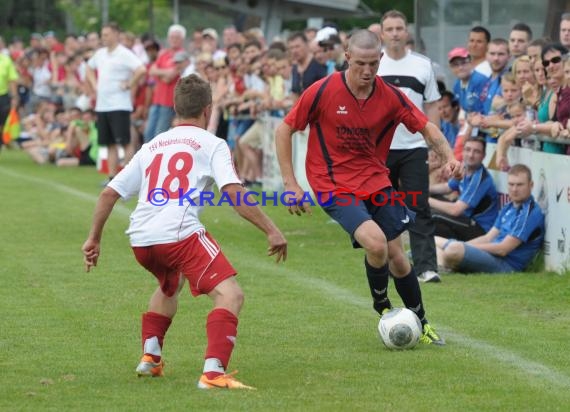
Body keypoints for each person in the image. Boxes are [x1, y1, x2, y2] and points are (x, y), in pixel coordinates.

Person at [82, 74, 287, 389]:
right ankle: (214, 373)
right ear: (208, 110)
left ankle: (150, 358)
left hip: (141, 239)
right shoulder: (213, 143)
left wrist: (93, 238)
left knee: (170, 285)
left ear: (175, 108)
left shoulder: (153, 144)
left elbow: (109, 193)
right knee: (231, 294)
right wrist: (272, 230)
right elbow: (234, 192)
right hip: (178, 234)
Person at [275, 29, 461, 345]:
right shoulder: (321, 91)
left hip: (375, 180)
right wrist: (291, 184)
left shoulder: (389, 95)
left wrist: (449, 156)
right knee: (376, 245)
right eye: (360, 63)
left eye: (373, 64)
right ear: (346, 57)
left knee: (398, 257)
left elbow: (426, 127)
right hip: (332, 184)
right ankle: (383, 306)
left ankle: (422, 322)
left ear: (381, 60)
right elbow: (285, 130)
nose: (367, 71)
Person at [376, 10, 443, 283]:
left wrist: (435, 144)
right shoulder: (374, 64)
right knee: (382, 207)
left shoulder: (422, 65)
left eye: (399, 28)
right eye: (389, 29)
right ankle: (389, 263)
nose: (394, 33)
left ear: (406, 32)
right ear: (381, 33)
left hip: (414, 146)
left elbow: (432, 106)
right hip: (380, 149)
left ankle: (426, 267)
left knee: (418, 205)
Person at [436, 164, 544, 274]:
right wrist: (466, 247)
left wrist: (465, 247)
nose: (514, 189)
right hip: (491, 256)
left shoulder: (530, 212)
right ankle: (444, 264)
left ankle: (443, 263)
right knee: (434, 240)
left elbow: (503, 250)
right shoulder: (508, 207)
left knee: (452, 248)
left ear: (531, 185)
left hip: (506, 265)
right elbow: (488, 238)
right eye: (511, 184)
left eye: (520, 185)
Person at [86, 22, 146, 183]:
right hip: (103, 105)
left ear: (115, 35)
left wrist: (129, 84)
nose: (103, 38)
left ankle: (127, 178)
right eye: (102, 35)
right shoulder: (100, 54)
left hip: (119, 105)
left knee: (124, 142)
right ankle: (113, 177)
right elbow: (89, 68)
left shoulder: (124, 53)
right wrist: (94, 85)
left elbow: (141, 69)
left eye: (106, 34)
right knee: (109, 143)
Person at [429, 136, 498, 242]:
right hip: (465, 219)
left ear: (483, 156)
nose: (471, 155)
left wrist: (424, 199)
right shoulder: (464, 168)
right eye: (468, 150)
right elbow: (447, 187)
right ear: (463, 151)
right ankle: (440, 248)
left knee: (433, 215)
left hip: (479, 230)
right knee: (431, 201)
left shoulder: (481, 179)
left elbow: (455, 210)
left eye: (476, 152)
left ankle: (438, 249)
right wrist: (423, 190)